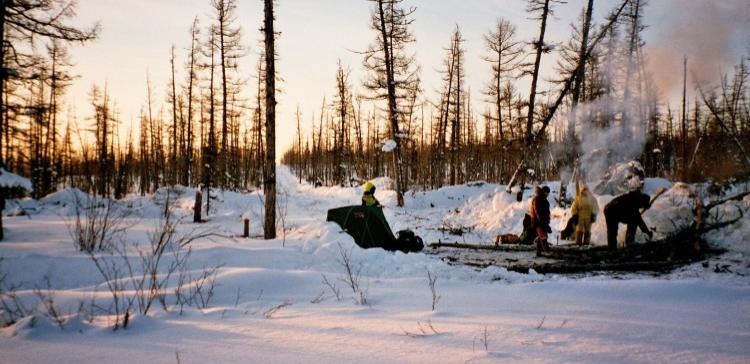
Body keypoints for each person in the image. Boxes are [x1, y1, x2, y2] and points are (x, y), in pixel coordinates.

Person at [530, 186, 552, 256]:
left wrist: (547, 221)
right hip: (537, 221)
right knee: (543, 236)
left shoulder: (544, 200)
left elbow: (547, 212)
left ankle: (539, 252)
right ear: (544, 192)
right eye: (547, 192)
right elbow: (538, 212)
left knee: (541, 236)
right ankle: (547, 251)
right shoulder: (537, 199)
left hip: (543, 221)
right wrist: (542, 222)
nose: (548, 194)